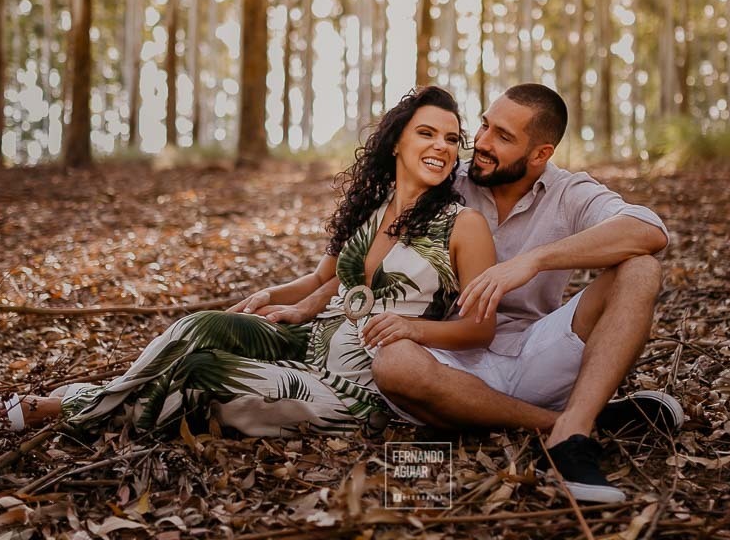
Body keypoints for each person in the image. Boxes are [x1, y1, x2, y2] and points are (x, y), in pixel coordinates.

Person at [0, 86, 497, 437]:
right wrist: (276, 300)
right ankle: (91, 403)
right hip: (310, 340)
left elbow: (480, 329)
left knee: (205, 373)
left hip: (356, 385)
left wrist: (413, 332)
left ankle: (68, 407)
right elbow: (326, 279)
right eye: (427, 133)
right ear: (398, 142)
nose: (442, 147)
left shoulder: (462, 225)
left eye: (452, 138)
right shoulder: (373, 208)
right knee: (201, 326)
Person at [275, 84, 678, 504]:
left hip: (533, 350)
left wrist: (534, 260)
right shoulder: (451, 178)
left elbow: (648, 230)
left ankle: (571, 433)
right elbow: (371, 253)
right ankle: (572, 424)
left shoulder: (569, 193)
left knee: (641, 268)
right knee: (393, 362)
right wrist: (304, 303)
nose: (482, 143)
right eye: (485, 126)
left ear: (540, 154)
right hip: (448, 359)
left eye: (503, 137)